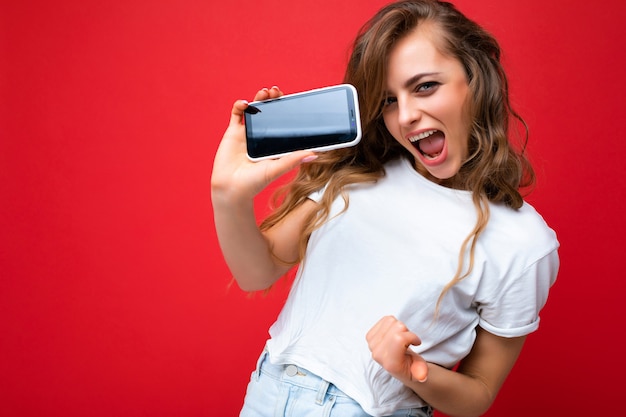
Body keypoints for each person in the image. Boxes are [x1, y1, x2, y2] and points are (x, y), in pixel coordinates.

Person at [211, 1, 559, 416]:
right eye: (390, 100)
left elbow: (479, 391)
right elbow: (257, 271)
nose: (407, 115)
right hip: (269, 393)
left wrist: (412, 370)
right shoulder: (357, 174)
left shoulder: (522, 242)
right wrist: (227, 196)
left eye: (425, 86)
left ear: (475, 79)